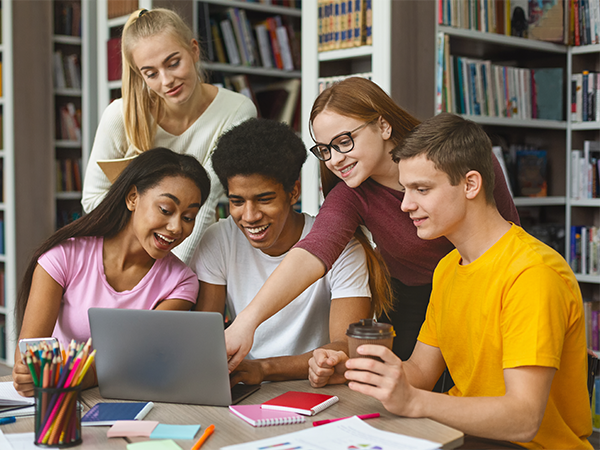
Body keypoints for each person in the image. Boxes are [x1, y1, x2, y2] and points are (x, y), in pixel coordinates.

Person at [312, 113, 591, 449]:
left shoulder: (532, 274)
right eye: (405, 189)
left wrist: (414, 402)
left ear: (471, 184)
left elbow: (523, 419)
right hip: (464, 439)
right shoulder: (448, 267)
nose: (405, 205)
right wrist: (363, 371)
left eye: (422, 189)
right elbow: (418, 371)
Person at [224, 77, 519, 372]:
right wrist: (246, 322)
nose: (335, 160)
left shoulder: (457, 159)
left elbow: (507, 232)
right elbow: (314, 250)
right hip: (412, 299)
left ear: (383, 125)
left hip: (484, 286)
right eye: (325, 149)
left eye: (343, 142)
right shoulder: (351, 195)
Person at [191, 118, 387, 385]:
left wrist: (264, 369)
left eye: (264, 199)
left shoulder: (342, 247)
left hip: (312, 386)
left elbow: (346, 347)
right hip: (242, 384)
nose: (249, 216)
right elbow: (204, 338)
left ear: (293, 192)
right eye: (237, 201)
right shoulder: (218, 239)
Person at [13, 148, 211, 396]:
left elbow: (131, 361)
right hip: (56, 402)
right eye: (165, 209)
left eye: (189, 217)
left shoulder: (181, 284)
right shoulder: (62, 257)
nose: (176, 228)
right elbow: (30, 353)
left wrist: (61, 375)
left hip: (125, 399)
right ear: (132, 198)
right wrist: (26, 374)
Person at [82, 8, 257, 264]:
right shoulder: (119, 115)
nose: (167, 81)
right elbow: (93, 201)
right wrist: (146, 247)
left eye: (173, 63)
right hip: (128, 256)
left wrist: (168, 274)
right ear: (141, 75)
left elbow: (204, 205)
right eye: (151, 74)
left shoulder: (237, 111)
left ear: (194, 50)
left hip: (190, 254)